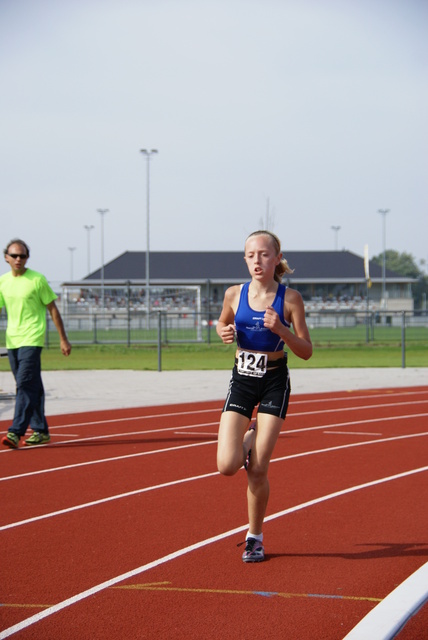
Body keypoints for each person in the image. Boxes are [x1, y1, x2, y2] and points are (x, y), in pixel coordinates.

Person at [216, 230, 312, 562]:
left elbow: (306, 350)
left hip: (273, 380)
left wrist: (281, 330)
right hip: (242, 378)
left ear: (277, 257)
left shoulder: (290, 299)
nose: (257, 261)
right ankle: (251, 434)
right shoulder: (233, 294)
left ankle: (254, 536)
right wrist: (223, 331)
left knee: (257, 468)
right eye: (251, 255)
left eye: (264, 254)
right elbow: (222, 322)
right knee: (227, 465)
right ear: (245, 259)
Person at [0, 239, 71, 449]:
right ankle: (40, 430)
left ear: (27, 258)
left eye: (22, 256)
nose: (18, 259)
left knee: (23, 383)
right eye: (14, 256)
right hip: (12, 340)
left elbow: (53, 309)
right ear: (6, 258)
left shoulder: (37, 280)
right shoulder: (3, 282)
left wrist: (63, 338)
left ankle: (15, 432)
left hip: (32, 338)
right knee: (31, 386)